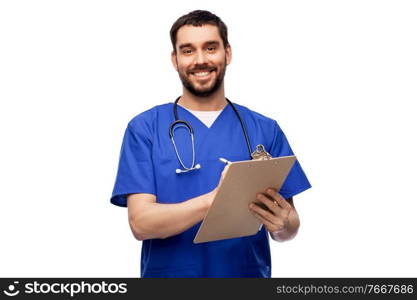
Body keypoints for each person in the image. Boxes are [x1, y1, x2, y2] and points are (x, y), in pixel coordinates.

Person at [110, 10, 311, 278]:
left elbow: (289, 226)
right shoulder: (145, 129)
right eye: (188, 50)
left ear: (227, 54)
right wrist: (214, 201)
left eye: (211, 48)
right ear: (175, 59)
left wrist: (283, 225)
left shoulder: (264, 129)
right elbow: (141, 223)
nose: (201, 60)